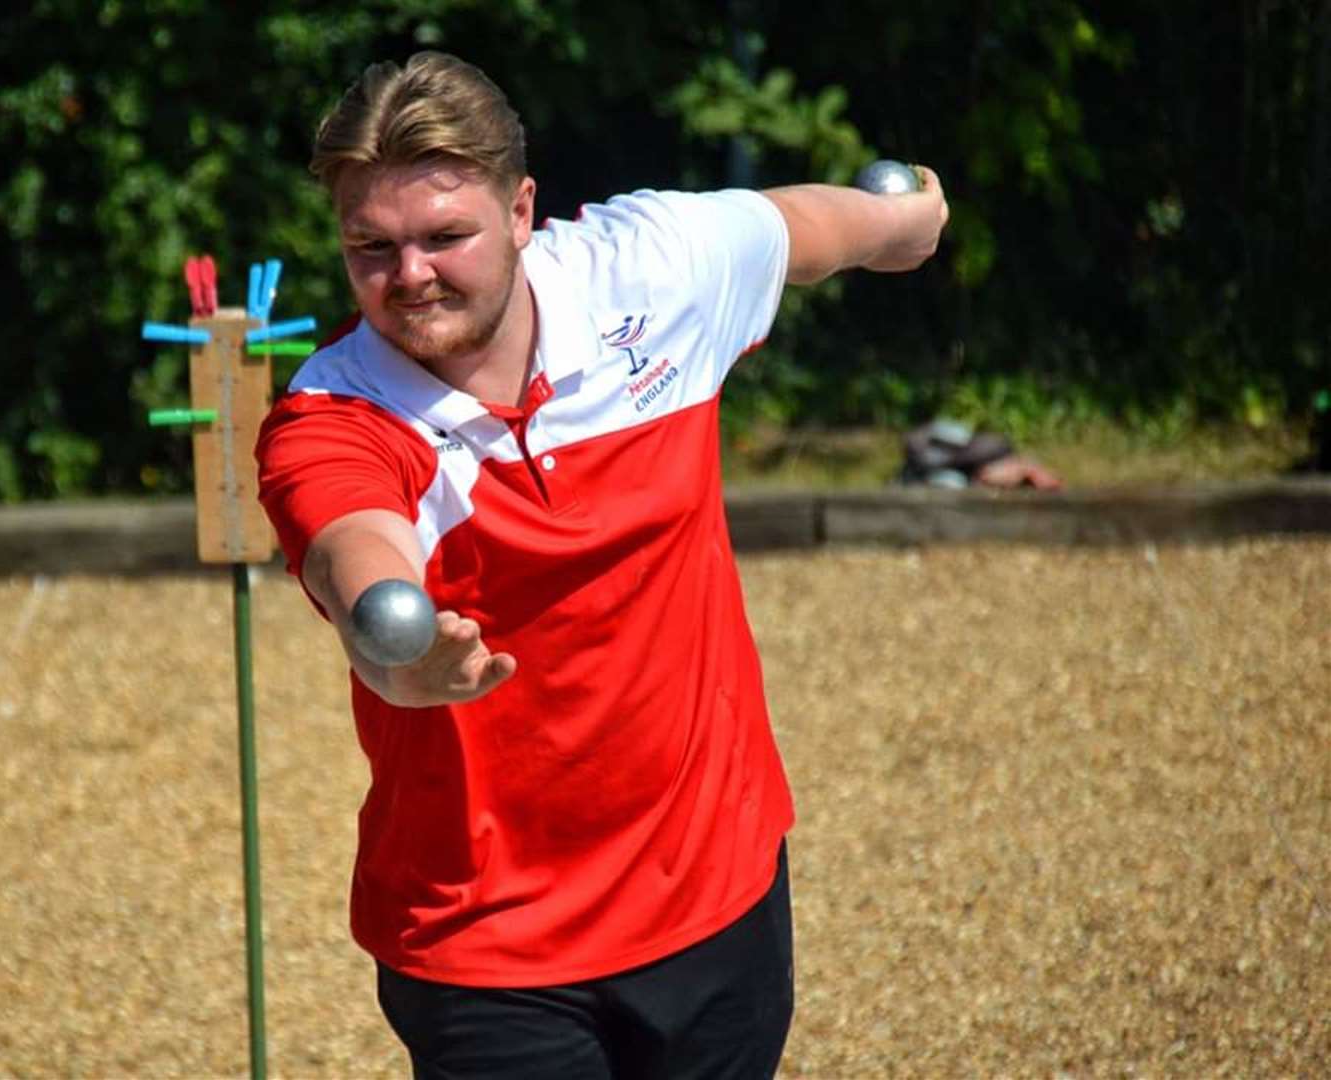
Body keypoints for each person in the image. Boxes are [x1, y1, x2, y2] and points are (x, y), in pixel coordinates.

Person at [255, 50, 948, 1079]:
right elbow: (357, 548)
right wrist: (398, 654)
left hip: (716, 885)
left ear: (523, 211)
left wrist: (906, 225)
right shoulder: (335, 416)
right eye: (372, 249)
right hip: (486, 938)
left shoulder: (657, 268)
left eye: (446, 237)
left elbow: (808, 229)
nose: (410, 278)